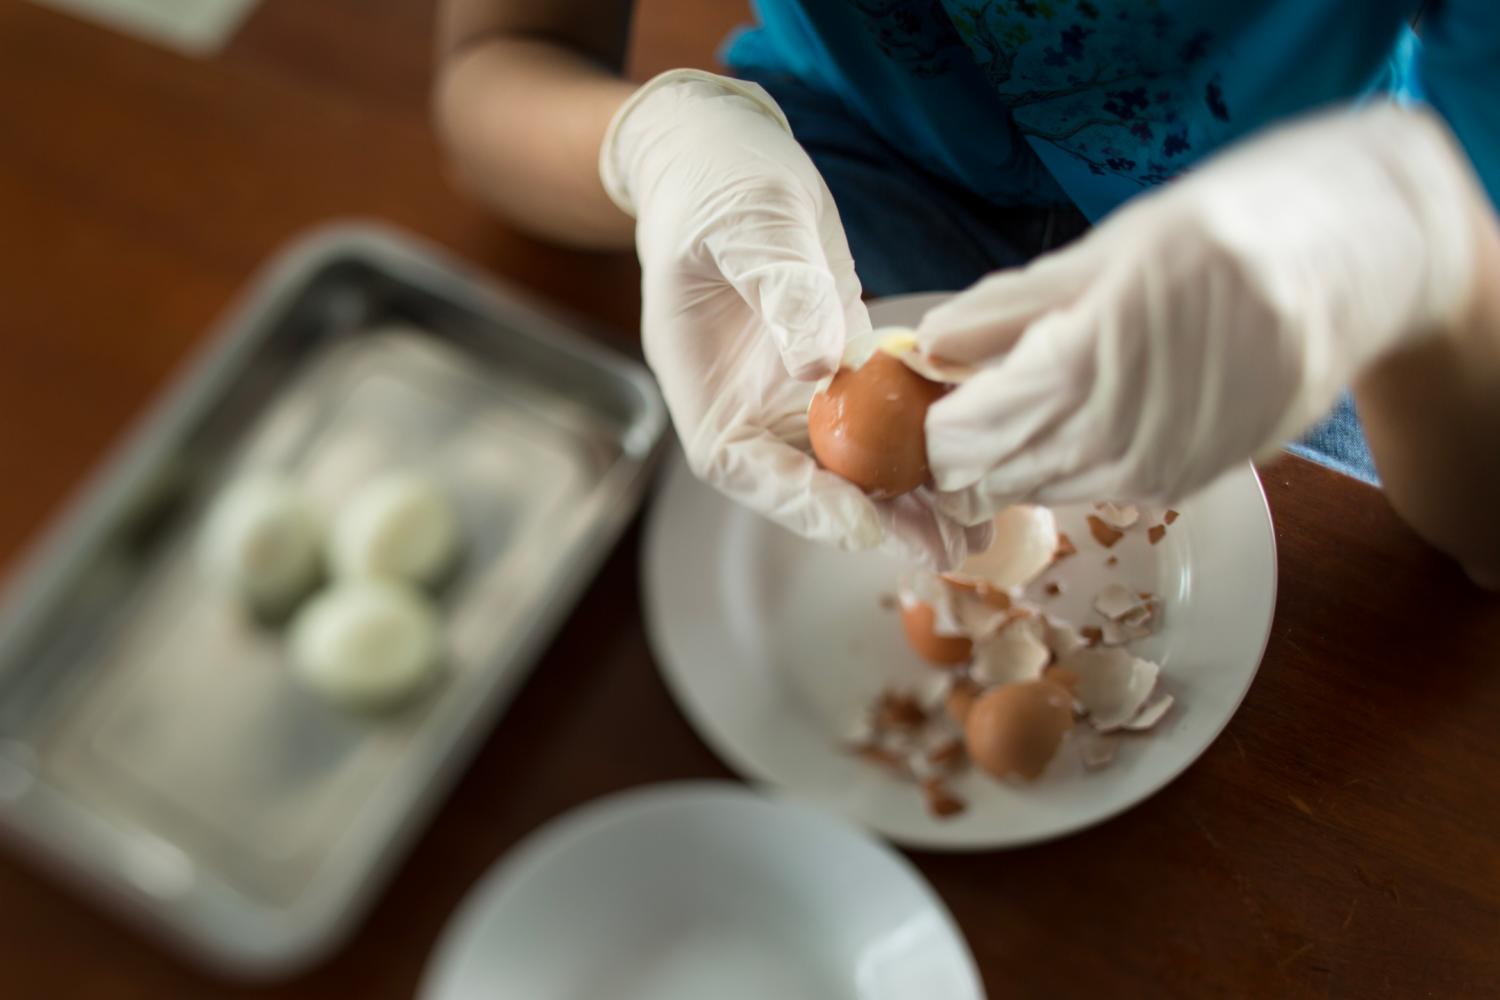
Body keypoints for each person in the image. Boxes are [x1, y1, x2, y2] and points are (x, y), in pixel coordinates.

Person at [434, 0, 1500, 587]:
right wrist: (650, 144)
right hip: (839, 166)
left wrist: (1408, 244)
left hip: (1323, 219)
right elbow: (505, 56)